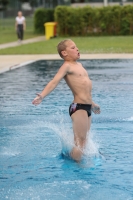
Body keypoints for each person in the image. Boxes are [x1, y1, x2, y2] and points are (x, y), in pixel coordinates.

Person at [32, 39, 100, 162]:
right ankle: (75, 168)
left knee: (83, 141)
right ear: (64, 53)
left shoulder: (79, 66)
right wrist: (42, 95)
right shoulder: (67, 66)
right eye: (73, 48)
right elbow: (54, 82)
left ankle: (71, 158)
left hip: (87, 107)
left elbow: (85, 90)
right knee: (80, 142)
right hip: (78, 107)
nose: (77, 49)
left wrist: (93, 104)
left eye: (77, 47)